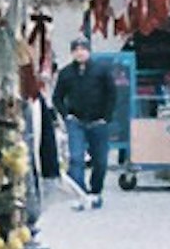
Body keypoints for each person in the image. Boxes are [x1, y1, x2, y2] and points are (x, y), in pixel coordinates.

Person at [52, 39, 124, 206]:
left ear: (89, 51)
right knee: (76, 158)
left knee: (100, 160)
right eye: (76, 49)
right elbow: (57, 97)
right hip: (76, 121)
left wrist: (106, 117)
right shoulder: (66, 73)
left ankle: (95, 191)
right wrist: (66, 115)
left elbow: (112, 94)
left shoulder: (101, 70)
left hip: (98, 122)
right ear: (72, 53)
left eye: (83, 49)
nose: (80, 52)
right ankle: (80, 193)